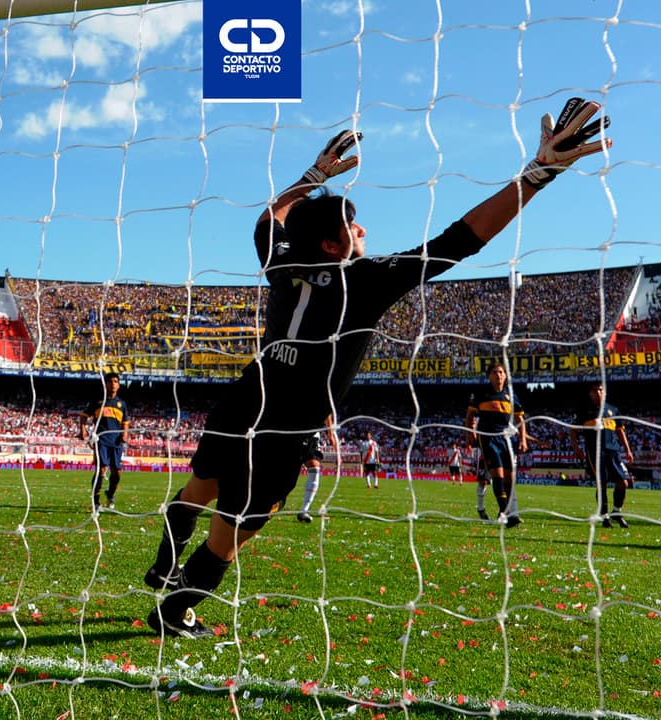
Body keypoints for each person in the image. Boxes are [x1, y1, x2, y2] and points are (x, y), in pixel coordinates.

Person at [139, 98, 611, 638]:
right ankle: (175, 610)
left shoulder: (281, 261)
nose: (363, 231)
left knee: (200, 486)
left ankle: (164, 566)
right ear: (332, 245)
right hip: (286, 425)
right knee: (234, 531)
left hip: (247, 396)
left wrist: (313, 176)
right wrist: (538, 174)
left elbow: (271, 218)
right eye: (354, 228)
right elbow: (461, 239)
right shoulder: (361, 282)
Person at [465, 362, 529, 527]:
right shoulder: (481, 394)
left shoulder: (511, 396)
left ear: (506, 376)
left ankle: (505, 512)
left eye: (501, 372)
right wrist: (470, 434)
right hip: (488, 437)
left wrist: (523, 439)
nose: (498, 375)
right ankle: (506, 513)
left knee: (509, 477)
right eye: (494, 372)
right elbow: (470, 415)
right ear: (489, 376)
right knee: (498, 475)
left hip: (506, 439)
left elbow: (520, 419)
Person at [570, 381, 634, 528]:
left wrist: (628, 450)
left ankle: (617, 512)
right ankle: (605, 517)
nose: (598, 393)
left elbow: (620, 431)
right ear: (590, 393)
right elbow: (572, 430)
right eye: (595, 390)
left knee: (623, 482)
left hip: (613, 452)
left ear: (605, 392)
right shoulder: (584, 410)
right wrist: (576, 448)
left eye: (601, 390)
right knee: (602, 483)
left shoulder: (613, 410)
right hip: (595, 452)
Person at [79, 372, 130, 510]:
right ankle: (96, 501)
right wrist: (82, 430)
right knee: (101, 469)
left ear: (119, 385)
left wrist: (125, 434)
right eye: (110, 381)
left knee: (116, 472)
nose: (113, 384)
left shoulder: (122, 404)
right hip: (101, 440)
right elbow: (83, 416)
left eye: (115, 381)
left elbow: (125, 422)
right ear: (105, 384)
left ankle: (110, 494)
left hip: (116, 441)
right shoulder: (97, 401)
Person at [297, 415, 338, 523]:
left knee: (314, 468)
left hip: (312, 435)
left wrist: (330, 434)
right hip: (293, 433)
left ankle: (304, 510)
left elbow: (326, 411)